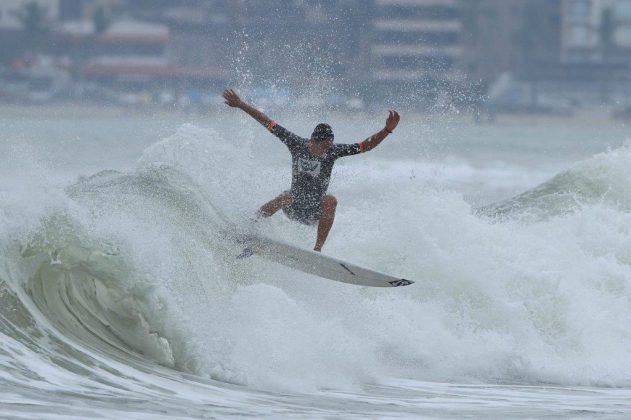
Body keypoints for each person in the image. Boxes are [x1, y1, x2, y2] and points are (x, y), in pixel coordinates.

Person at [222, 88, 400, 252]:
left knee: (331, 200)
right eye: (323, 146)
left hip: (315, 212)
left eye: (329, 145)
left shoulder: (333, 151)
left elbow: (364, 146)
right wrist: (240, 104)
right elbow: (266, 121)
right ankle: (247, 226)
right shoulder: (296, 144)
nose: (326, 150)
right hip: (294, 207)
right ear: (312, 141)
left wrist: (386, 131)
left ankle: (317, 250)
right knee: (285, 196)